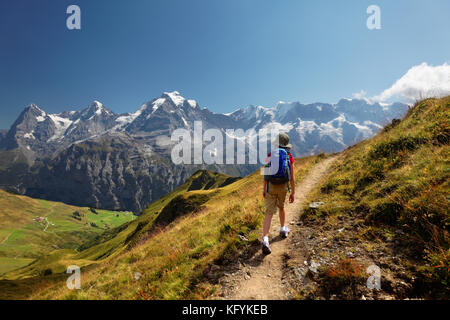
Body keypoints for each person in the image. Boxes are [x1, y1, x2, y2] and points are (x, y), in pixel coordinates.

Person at [261, 133, 295, 254]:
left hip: (271, 186)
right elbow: (292, 176)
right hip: (283, 187)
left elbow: (265, 173)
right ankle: (282, 229)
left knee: (269, 213)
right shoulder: (289, 156)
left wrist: (264, 189)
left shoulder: (270, 155)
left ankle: (265, 239)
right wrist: (293, 192)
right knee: (281, 207)